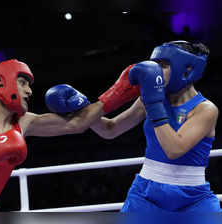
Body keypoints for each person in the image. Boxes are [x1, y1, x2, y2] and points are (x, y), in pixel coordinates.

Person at [0, 59, 139, 212]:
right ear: (2, 82)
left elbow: (77, 123)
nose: (29, 91)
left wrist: (116, 93)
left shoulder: (23, 123)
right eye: (23, 83)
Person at [89, 40, 221, 212]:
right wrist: (82, 109)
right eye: (155, 65)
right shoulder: (148, 99)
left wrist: (153, 103)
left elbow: (174, 149)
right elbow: (110, 129)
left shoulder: (205, 110)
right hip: (146, 194)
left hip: (193, 199)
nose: (156, 72)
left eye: (164, 66)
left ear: (187, 69)